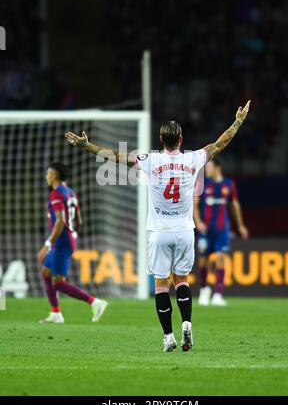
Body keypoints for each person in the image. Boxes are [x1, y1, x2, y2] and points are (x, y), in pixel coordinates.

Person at [65, 100, 251, 351]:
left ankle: (168, 337)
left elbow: (115, 157)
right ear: (181, 140)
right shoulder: (194, 159)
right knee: (182, 280)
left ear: (161, 138)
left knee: (161, 284)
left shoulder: (149, 160)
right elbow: (221, 143)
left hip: (159, 232)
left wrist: (86, 146)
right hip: (185, 231)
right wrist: (238, 121)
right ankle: (187, 323)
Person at [37, 161, 108, 324]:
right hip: (67, 239)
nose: (46, 176)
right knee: (46, 273)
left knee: (59, 283)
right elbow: (79, 221)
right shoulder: (70, 193)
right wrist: (73, 235)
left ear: (54, 176)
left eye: (48, 173)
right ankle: (56, 313)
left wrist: (47, 245)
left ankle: (95, 302)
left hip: (61, 241)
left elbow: (60, 222)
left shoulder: (56, 194)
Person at [193, 158, 249, 306]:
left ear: (218, 168)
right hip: (206, 229)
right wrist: (198, 222)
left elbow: (234, 205)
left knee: (220, 258)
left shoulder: (228, 184)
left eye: (209, 167)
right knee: (203, 260)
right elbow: (195, 204)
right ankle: (204, 290)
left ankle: (217, 293)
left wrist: (240, 225)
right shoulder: (202, 183)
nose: (206, 170)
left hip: (222, 229)